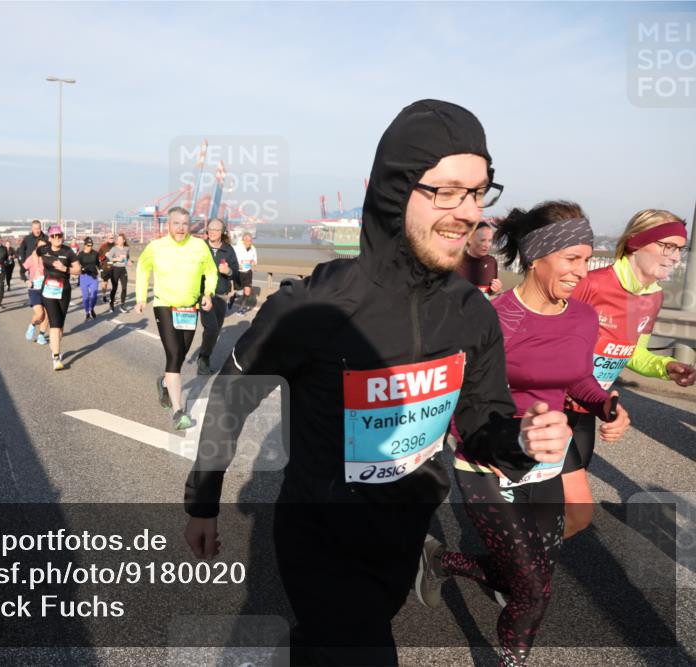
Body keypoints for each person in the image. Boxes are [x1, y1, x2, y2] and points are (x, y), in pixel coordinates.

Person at [183, 100, 575, 665]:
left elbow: (480, 420)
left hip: (406, 530)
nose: (466, 211)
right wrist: (203, 501)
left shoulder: (472, 313)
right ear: (394, 190)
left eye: (477, 192)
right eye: (445, 190)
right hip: (321, 536)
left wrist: (519, 439)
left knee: (349, 632)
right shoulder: (315, 307)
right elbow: (232, 398)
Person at [416, 201, 630, 667]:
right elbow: (458, 399)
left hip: (546, 463)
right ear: (537, 257)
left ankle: (441, 561)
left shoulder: (581, 318)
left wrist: (607, 404)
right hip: (487, 462)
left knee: (533, 575)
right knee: (533, 590)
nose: (582, 270)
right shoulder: (492, 319)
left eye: (588, 257)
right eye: (572, 258)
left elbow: (578, 380)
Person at [562, 209, 694, 538]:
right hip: (552, 404)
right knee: (568, 503)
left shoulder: (653, 297)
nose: (674, 256)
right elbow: (549, 340)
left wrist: (665, 367)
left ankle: (519, 568)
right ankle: (516, 571)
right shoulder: (591, 284)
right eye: (667, 246)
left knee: (567, 506)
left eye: (680, 248)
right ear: (637, 244)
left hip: (588, 409)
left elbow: (634, 353)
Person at [135, 207, 217, 430]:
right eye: (176, 224)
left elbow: (211, 271)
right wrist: (141, 297)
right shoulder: (156, 247)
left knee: (180, 355)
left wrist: (208, 292)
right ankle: (179, 411)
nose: (181, 228)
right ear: (168, 225)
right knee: (173, 355)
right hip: (165, 305)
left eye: (185, 224)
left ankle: (163, 383)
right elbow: (142, 268)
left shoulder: (199, 246)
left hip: (190, 308)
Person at [197, 219, 239, 375]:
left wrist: (228, 271)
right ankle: (203, 359)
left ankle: (204, 355)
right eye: (210, 229)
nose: (212, 232)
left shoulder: (228, 250)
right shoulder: (200, 247)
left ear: (223, 232)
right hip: (203, 294)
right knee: (211, 327)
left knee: (215, 330)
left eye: (216, 229)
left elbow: (236, 272)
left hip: (221, 295)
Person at [37, 226, 81, 370]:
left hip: (64, 291)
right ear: (50, 238)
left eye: (59, 235)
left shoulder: (68, 251)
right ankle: (56, 357)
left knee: (60, 327)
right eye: (54, 236)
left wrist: (65, 269)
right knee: (54, 324)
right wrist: (35, 271)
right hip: (48, 291)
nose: (57, 238)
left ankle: (54, 347)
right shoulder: (44, 249)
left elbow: (78, 270)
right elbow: (34, 254)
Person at [456, 221, 502, 296]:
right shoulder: (456, 261)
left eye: (489, 241)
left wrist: (498, 290)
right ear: (470, 240)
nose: (486, 245)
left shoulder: (491, 262)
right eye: (482, 240)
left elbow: (492, 293)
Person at [23, 237, 50, 346]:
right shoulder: (31, 258)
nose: (42, 248)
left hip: (47, 289)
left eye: (44, 246)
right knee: (40, 314)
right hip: (34, 289)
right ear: (36, 247)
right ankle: (32, 326)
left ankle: (41, 336)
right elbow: (22, 271)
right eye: (40, 246)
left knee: (47, 315)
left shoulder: (48, 258)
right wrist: (26, 280)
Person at [231, 233, 257, 314]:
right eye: (247, 240)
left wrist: (253, 263)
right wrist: (237, 265)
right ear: (243, 240)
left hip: (248, 273)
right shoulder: (237, 248)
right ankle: (234, 296)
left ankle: (241, 309)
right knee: (239, 292)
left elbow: (255, 261)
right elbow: (231, 258)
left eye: (250, 240)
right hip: (238, 273)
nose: (249, 242)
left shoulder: (253, 248)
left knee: (247, 292)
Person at [106, 233, 131, 313]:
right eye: (118, 239)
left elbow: (127, 258)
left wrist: (128, 262)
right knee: (114, 288)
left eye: (121, 239)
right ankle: (111, 304)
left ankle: (122, 305)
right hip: (115, 269)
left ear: (124, 240)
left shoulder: (127, 248)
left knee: (124, 287)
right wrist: (117, 259)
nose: (119, 241)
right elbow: (109, 258)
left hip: (123, 269)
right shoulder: (114, 248)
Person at [77, 237, 101, 320]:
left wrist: (101, 270)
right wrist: (80, 269)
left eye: (91, 245)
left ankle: (92, 309)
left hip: (93, 277)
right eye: (88, 245)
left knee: (94, 296)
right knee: (86, 297)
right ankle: (87, 313)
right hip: (84, 277)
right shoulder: (80, 255)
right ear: (84, 245)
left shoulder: (95, 253)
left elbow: (98, 264)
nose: (90, 247)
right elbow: (76, 265)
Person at [98, 233, 116, 303]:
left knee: (115, 283)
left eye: (112, 238)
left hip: (114, 267)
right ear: (107, 238)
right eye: (110, 238)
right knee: (105, 283)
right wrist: (104, 256)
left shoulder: (116, 246)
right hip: (105, 267)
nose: (111, 239)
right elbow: (98, 256)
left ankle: (112, 297)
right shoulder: (103, 246)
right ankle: (104, 295)